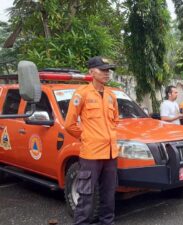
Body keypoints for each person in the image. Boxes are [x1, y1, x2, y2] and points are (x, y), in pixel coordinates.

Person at [65, 56, 119, 225]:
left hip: (111, 154)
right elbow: (69, 124)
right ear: (91, 72)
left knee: (109, 195)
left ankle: (107, 222)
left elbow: (115, 120)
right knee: (86, 196)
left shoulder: (111, 95)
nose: (107, 73)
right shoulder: (81, 94)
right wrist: (86, 136)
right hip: (91, 155)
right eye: (103, 70)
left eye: (108, 70)